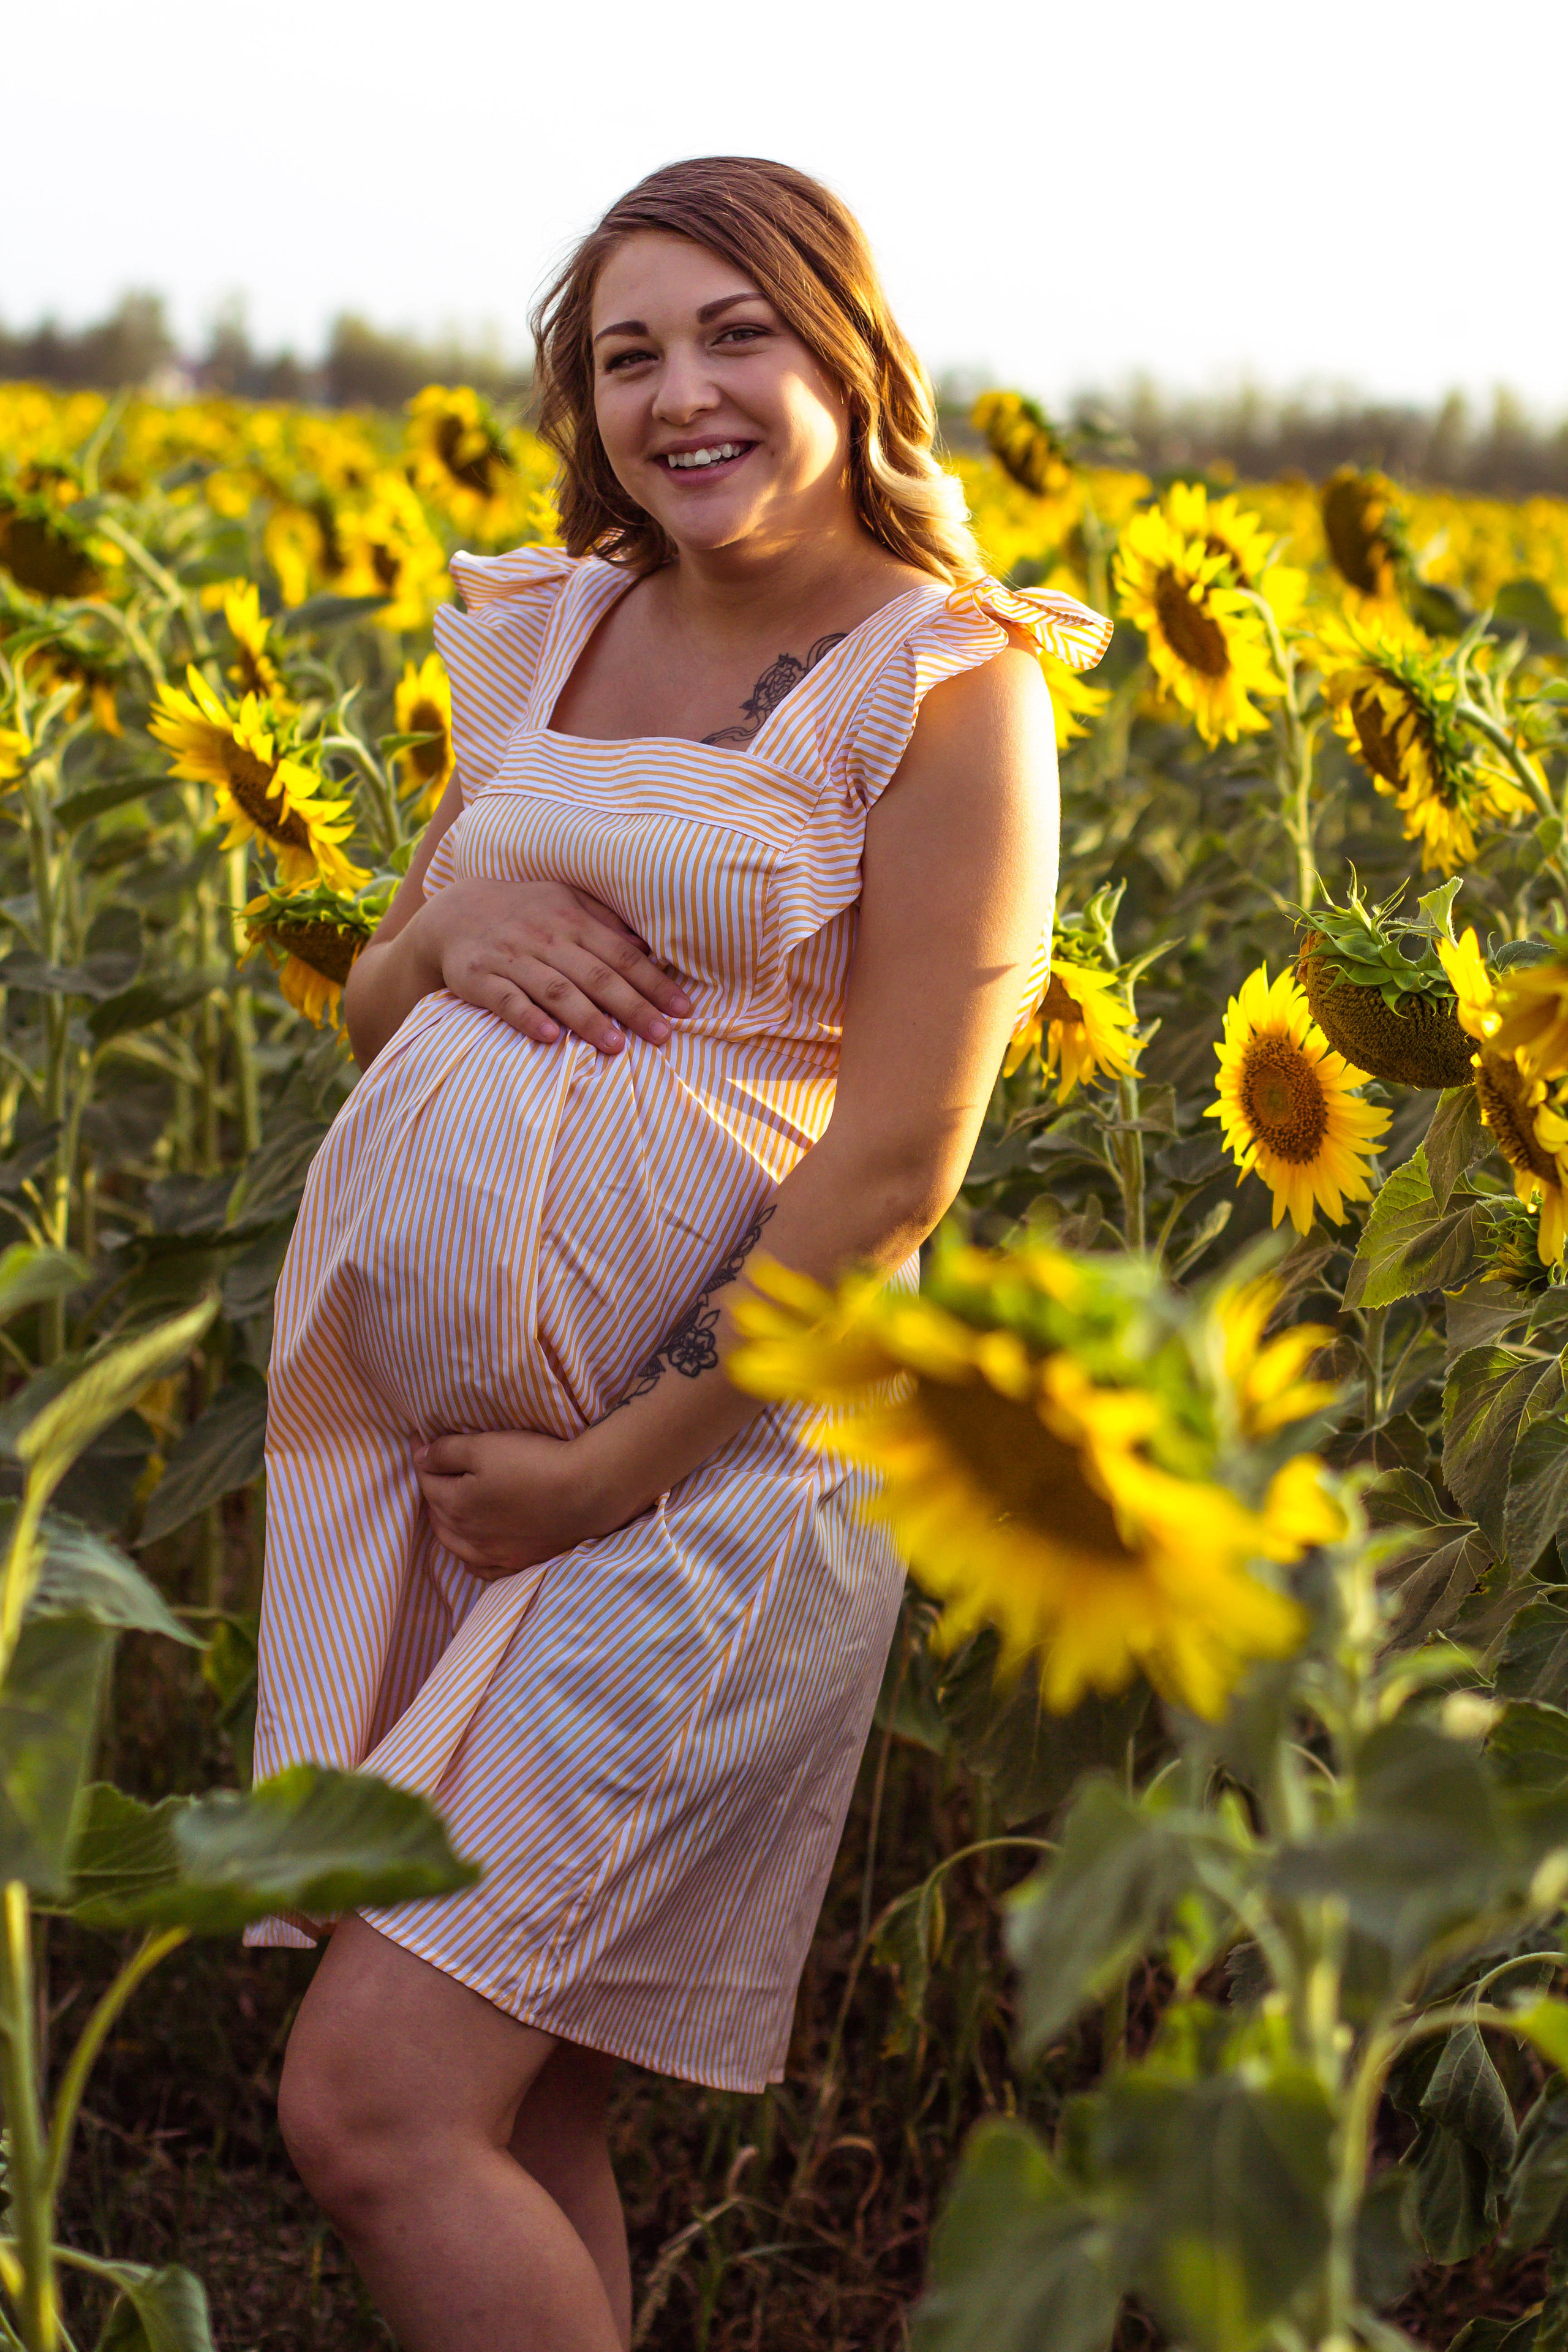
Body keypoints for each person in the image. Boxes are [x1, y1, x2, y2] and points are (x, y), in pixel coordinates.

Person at [257, 154, 1109, 2352]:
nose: (681, 392)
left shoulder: (947, 686)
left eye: (737, 333)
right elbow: (386, 996)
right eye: (629, 352)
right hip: (450, 1462)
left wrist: (621, 1458)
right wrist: (447, 927)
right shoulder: (551, 622)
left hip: (707, 1472)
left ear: (850, 352)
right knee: (518, 2116)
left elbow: (901, 1155)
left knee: (374, 2110)